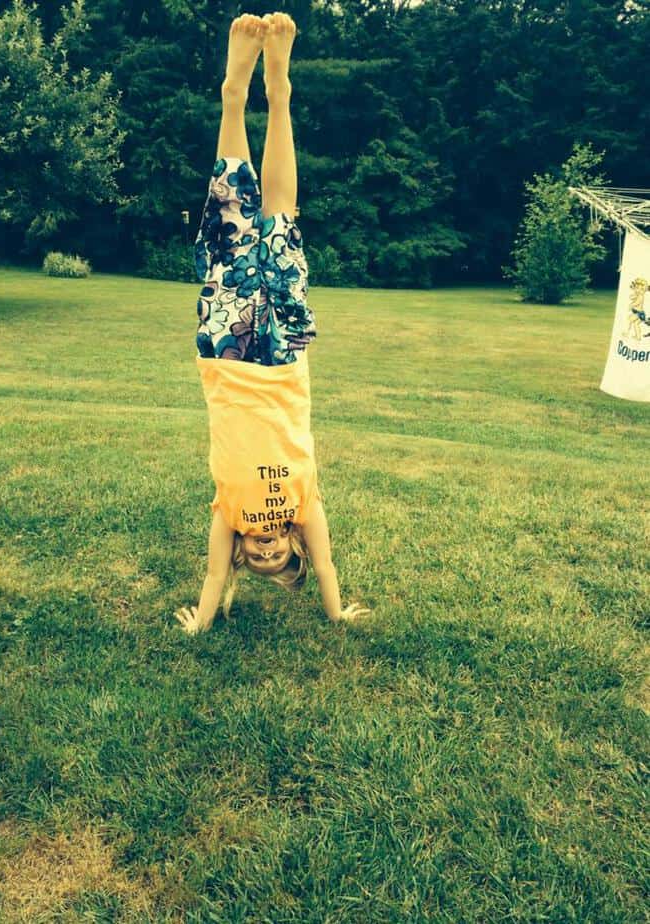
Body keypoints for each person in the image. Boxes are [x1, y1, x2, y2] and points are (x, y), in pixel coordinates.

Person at [175, 12, 370, 634]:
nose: (263, 550)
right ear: (292, 544)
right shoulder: (304, 504)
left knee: (232, 218)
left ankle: (234, 97)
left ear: (240, 552)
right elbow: (330, 561)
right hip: (285, 359)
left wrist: (203, 620)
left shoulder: (229, 512)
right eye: (276, 554)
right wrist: (336, 610)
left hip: (226, 358)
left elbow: (211, 577)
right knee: (281, 221)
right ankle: (279, 90)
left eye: (255, 558)